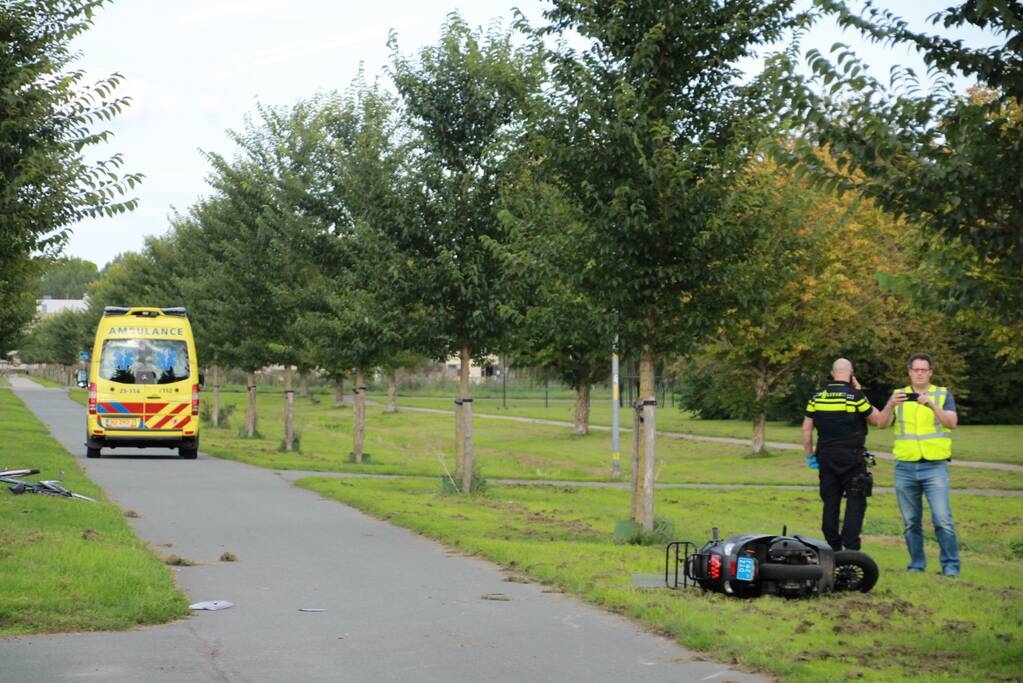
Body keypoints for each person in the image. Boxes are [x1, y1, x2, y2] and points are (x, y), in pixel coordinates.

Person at [802, 358, 895, 552]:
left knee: (830, 502)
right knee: (856, 501)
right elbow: (877, 420)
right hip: (852, 458)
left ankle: (832, 546)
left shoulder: (817, 397)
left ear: (832, 373)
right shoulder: (855, 397)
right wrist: (861, 392)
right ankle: (851, 548)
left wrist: (810, 456)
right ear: (851, 372)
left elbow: (806, 429)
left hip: (825, 457)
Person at [884, 352, 960, 576]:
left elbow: (952, 423)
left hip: (934, 467)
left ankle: (950, 566)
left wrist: (932, 406)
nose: (919, 373)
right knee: (910, 522)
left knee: (942, 519)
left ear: (930, 372)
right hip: (905, 467)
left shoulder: (942, 394)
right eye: (915, 370)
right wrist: (890, 405)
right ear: (909, 372)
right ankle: (917, 565)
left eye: (923, 370)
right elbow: (881, 424)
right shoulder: (899, 395)